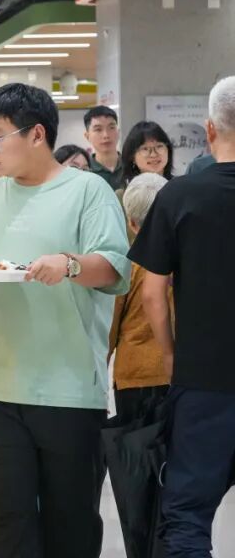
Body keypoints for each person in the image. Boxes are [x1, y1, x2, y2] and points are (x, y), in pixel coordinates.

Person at [0, 83, 130, 558]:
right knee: (6, 522)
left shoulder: (88, 191)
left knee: (69, 523)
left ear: (36, 134)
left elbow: (113, 268)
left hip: (66, 387)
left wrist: (69, 264)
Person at [129, 75, 235, 557]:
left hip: (203, 379)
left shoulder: (179, 196)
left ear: (210, 129)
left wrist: (170, 355)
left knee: (188, 516)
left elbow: (153, 293)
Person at [109, 173, 172, 422]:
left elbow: (110, 326)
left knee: (135, 443)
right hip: (182, 370)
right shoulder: (189, 260)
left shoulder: (127, 265)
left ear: (132, 223)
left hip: (134, 372)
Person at [84, 105, 124, 189]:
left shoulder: (132, 166)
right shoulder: (85, 171)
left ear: (118, 132)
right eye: (98, 129)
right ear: (87, 136)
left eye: (111, 128)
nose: (106, 135)